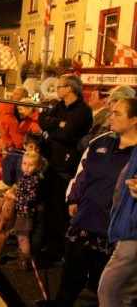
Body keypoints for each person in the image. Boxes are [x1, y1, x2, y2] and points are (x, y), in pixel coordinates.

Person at [55, 98, 137, 305]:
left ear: (134, 120)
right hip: (85, 220)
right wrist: (73, 199)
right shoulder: (101, 141)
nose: (110, 116)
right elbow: (82, 172)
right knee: (70, 278)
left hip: (114, 230)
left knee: (105, 286)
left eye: (117, 113)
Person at [37, 73, 92, 263]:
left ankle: (57, 250)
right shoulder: (58, 106)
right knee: (47, 208)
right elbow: (43, 119)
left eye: (60, 86)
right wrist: (57, 124)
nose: (57, 89)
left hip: (65, 166)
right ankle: (45, 244)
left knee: (59, 211)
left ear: (70, 88)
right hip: (51, 163)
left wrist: (55, 128)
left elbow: (68, 133)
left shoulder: (83, 111)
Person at [98, 146, 137, 307]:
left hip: (133, 233)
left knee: (112, 290)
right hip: (126, 228)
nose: (111, 118)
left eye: (117, 117)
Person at [5, 150, 44, 271]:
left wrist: (14, 197)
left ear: (37, 167)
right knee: (19, 235)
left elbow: (29, 198)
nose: (26, 167)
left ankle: (24, 261)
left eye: (30, 165)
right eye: (24, 164)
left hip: (25, 213)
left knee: (23, 237)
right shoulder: (25, 177)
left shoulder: (34, 180)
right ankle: (21, 257)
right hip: (20, 211)